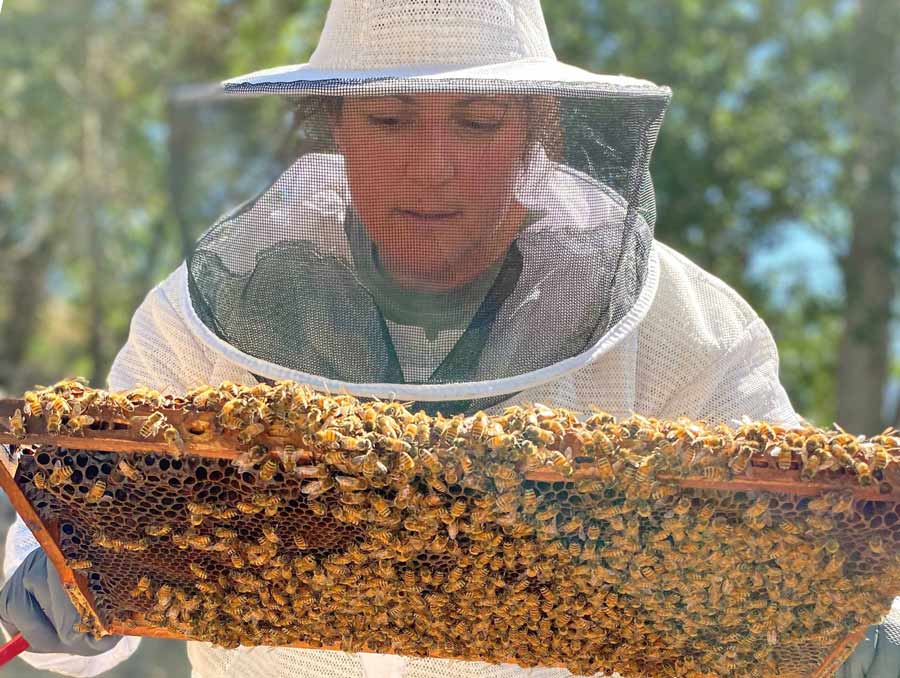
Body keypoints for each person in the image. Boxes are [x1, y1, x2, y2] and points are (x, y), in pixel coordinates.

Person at [2, 0, 898, 676]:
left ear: (538, 129)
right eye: (390, 120)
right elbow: (74, 525)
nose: (435, 166)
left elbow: (818, 534)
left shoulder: (686, 326)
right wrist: (47, 587)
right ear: (334, 128)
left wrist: (862, 630)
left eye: (478, 121)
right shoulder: (204, 317)